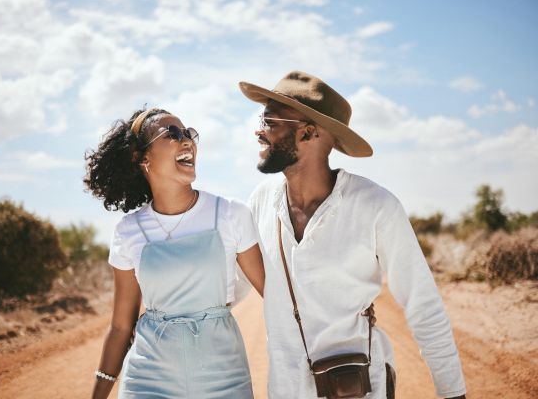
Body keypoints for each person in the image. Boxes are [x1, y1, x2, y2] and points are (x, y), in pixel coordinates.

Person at [239, 71, 467, 399]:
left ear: (307, 133)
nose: (259, 130)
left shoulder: (376, 206)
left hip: (360, 387)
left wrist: (453, 392)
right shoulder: (260, 201)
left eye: (270, 120)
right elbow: (234, 285)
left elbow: (423, 304)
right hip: (286, 389)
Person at [84, 108, 265, 399]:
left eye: (189, 134)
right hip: (149, 377)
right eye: (172, 133)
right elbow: (120, 326)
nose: (187, 141)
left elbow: (275, 293)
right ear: (141, 157)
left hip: (223, 376)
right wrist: (97, 395)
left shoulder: (230, 214)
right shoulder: (129, 232)